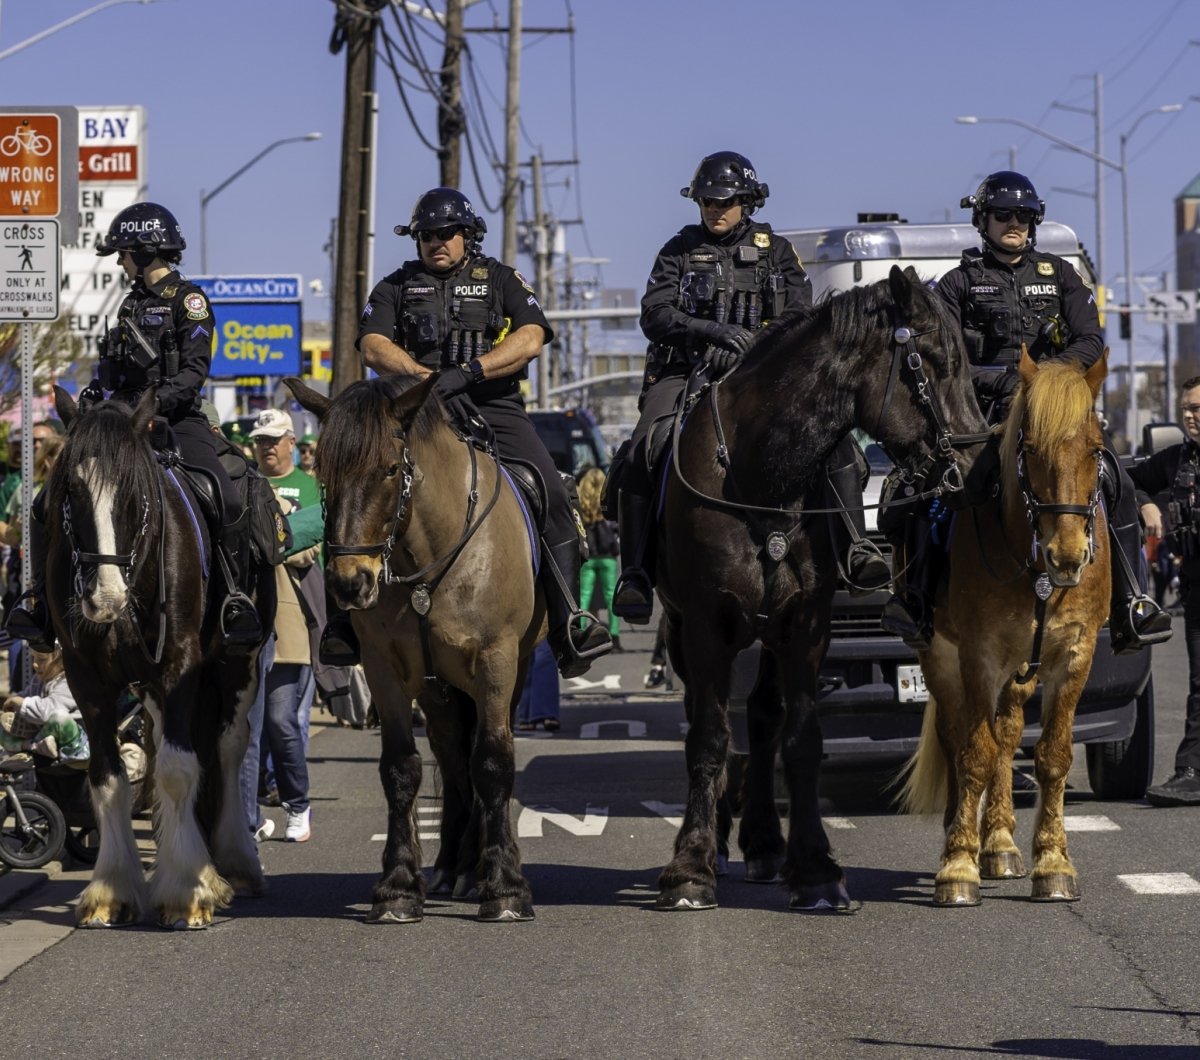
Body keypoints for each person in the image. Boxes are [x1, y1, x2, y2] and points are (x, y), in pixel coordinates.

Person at [880, 171, 1171, 654]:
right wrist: (1009, 381)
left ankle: (1132, 603)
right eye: (1003, 215)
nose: (1014, 223)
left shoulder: (1059, 274)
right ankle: (915, 599)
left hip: (1055, 409)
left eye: (1024, 215)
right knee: (926, 488)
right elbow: (948, 361)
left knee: (1116, 481)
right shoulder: (957, 284)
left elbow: (1090, 339)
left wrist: (1049, 381)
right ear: (984, 221)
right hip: (984, 412)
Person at [339, 185, 611, 679]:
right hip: (420, 411)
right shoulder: (395, 286)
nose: (435, 242)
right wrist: (426, 380)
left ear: (467, 235)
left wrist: (474, 372)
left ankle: (571, 619)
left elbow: (531, 338)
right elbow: (373, 344)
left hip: (492, 404)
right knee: (355, 486)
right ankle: (344, 622)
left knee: (548, 489)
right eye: (425, 235)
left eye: (446, 233)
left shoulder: (500, 279)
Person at [611, 151, 890, 624]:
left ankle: (856, 548)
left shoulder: (776, 251)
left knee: (839, 447)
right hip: (686, 373)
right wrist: (710, 334)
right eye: (706, 202)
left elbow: (802, 316)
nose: (714, 210)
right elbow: (654, 315)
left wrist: (751, 347)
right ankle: (635, 572)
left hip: (766, 377)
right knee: (645, 446)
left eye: (725, 201)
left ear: (748, 201)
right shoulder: (677, 250)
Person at [4, 201, 262, 652]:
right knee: (47, 503)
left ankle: (235, 599)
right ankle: (40, 604)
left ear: (146, 251)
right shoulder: (130, 303)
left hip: (176, 421)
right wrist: (92, 394)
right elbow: (111, 370)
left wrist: (153, 404)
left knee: (227, 496)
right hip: (119, 424)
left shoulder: (191, 301)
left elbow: (194, 372)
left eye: (124, 253)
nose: (121, 262)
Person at [1127, 376, 1200, 805]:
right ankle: (1190, 772)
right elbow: (1123, 477)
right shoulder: (1174, 461)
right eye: (1187, 409)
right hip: (1196, 585)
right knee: (1199, 683)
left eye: (1198, 408)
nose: (1191, 416)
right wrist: (1146, 502)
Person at [250, 408, 319, 842]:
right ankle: (250, 812)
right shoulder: (245, 482)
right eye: (260, 439)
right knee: (246, 727)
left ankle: (298, 805)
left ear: (292, 442)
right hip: (245, 618)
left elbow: (309, 547)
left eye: (274, 438)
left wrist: (271, 539)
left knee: (281, 719)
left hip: (291, 615)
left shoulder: (312, 487)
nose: (266, 446)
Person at [0, 645, 89, 766]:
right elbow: (27, 695)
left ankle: (35, 747)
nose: (35, 664)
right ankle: (31, 747)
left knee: (59, 717)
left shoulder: (69, 681)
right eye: (33, 658)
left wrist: (20, 703)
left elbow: (48, 712)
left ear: (61, 660)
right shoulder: (39, 679)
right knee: (3, 731)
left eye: (41, 659)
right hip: (45, 736)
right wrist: (15, 703)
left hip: (73, 741)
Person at [577, 467, 621, 650]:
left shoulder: (582, 504)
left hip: (588, 556)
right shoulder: (606, 503)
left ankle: (579, 634)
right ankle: (615, 637)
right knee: (611, 597)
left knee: (583, 597)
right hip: (607, 556)